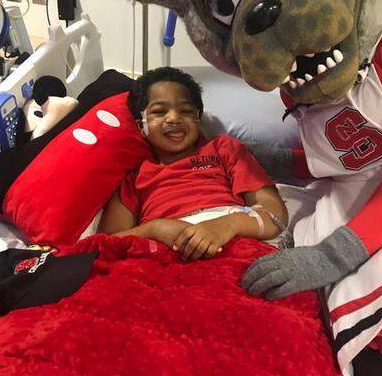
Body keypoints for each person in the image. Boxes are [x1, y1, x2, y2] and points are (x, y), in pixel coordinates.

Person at [98, 67, 288, 260]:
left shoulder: (223, 149)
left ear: (198, 118)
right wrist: (154, 229)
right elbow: (105, 245)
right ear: (142, 126)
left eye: (186, 110)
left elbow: (275, 214)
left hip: (230, 240)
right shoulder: (134, 178)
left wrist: (225, 225)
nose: (173, 118)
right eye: (159, 111)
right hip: (165, 254)